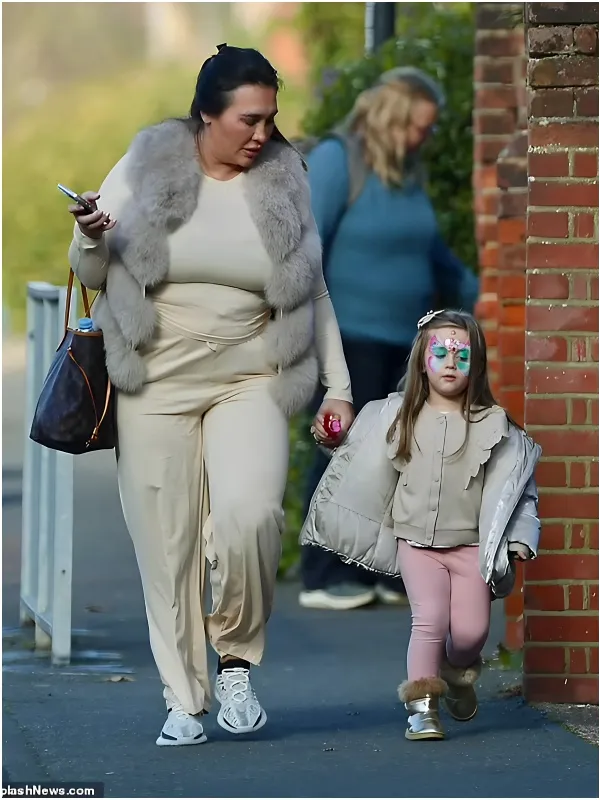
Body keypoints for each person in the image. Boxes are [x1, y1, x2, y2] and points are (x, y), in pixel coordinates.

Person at [65, 45, 355, 746]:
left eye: (270, 120)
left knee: (250, 515)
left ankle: (234, 659)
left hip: (249, 376)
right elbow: (90, 271)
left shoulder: (286, 179)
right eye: (248, 120)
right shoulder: (145, 166)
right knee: (167, 549)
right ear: (206, 114)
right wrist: (89, 236)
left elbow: (312, 286)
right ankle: (182, 698)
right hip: (153, 381)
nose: (262, 135)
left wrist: (339, 385)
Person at [302, 309, 540, 741]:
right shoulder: (395, 416)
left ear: (477, 363)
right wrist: (330, 436)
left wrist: (521, 538)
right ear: (421, 361)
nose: (451, 362)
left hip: (470, 547)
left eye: (462, 354)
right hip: (416, 543)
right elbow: (352, 458)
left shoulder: (495, 426)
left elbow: (517, 492)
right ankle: (422, 709)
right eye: (441, 352)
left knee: (471, 633)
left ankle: (455, 672)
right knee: (428, 619)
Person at [297, 67, 480, 612]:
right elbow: (307, 249)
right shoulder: (337, 162)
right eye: (420, 125)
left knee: (397, 457)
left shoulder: (408, 174)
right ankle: (322, 574)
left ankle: (380, 571)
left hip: (407, 341)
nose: (426, 136)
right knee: (339, 450)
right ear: (394, 117)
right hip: (346, 338)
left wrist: (483, 293)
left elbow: (433, 254)